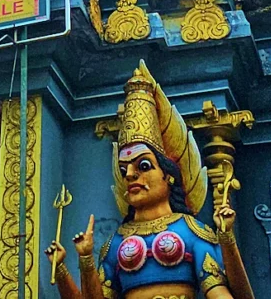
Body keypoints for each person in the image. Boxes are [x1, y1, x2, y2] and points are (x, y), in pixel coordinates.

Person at [47, 63, 255, 299]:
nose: (130, 175)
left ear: (169, 176)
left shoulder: (191, 232)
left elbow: (218, 291)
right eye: (124, 170)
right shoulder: (116, 242)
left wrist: (226, 237)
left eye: (143, 166)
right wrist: (77, 261)